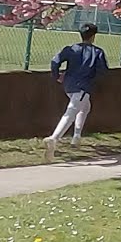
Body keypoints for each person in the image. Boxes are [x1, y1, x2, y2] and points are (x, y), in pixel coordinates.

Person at [43, 22, 109, 161]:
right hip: (83, 87)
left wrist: (57, 76)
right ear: (93, 36)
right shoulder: (97, 52)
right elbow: (102, 72)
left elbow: (55, 61)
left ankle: (76, 137)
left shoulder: (71, 48)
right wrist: (93, 82)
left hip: (69, 85)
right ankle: (54, 138)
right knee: (71, 112)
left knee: (85, 108)